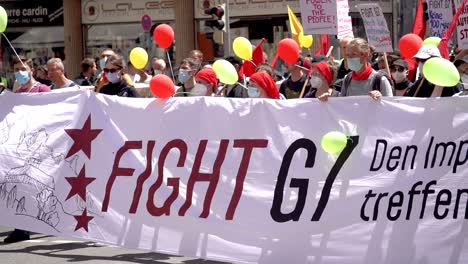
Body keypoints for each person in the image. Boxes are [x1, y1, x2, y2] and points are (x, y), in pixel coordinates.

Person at [4, 55, 51, 244]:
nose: (20, 73)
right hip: (21, 146)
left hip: (40, 147)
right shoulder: (17, 93)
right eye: (16, 70)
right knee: (20, 186)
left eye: (23, 69)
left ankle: (27, 226)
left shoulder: (43, 89)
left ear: (31, 69)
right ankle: (21, 227)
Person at [319, 38, 393, 101]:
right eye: (348, 55)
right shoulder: (347, 79)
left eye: (353, 54)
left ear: (365, 54)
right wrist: (331, 97)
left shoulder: (380, 80)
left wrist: (381, 98)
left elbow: (390, 108)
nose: (350, 58)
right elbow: (343, 104)